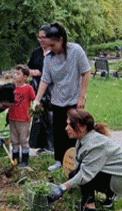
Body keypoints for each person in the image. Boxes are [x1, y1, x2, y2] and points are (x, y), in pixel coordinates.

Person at [47, 109, 122, 211]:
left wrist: (62, 187)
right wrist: (71, 182)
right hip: (115, 174)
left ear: (82, 127)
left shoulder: (95, 145)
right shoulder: (82, 138)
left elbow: (85, 174)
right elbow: (78, 165)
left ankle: (89, 208)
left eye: (70, 125)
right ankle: (107, 200)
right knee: (75, 174)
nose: (66, 128)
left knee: (84, 175)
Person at [33, 22, 91, 172]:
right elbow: (45, 80)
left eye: (52, 45)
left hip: (74, 101)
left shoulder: (76, 50)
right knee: (59, 132)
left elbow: (86, 72)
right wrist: (36, 100)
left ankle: (74, 162)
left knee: (73, 132)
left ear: (60, 40)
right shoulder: (49, 58)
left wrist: (82, 97)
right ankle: (59, 161)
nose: (49, 48)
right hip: (57, 100)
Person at [27, 24, 54, 155]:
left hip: (52, 89)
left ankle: (52, 145)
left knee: (51, 116)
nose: (41, 40)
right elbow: (28, 68)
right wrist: (32, 72)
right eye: (39, 37)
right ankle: (41, 145)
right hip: (38, 88)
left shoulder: (55, 53)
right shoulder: (36, 52)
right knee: (39, 116)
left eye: (44, 37)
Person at [8, 64, 35, 167]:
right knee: (14, 140)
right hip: (12, 118)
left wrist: (34, 110)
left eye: (18, 73)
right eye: (14, 73)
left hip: (24, 119)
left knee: (23, 140)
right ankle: (15, 158)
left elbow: (34, 100)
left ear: (25, 77)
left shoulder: (28, 88)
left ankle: (24, 160)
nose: (15, 75)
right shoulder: (11, 87)